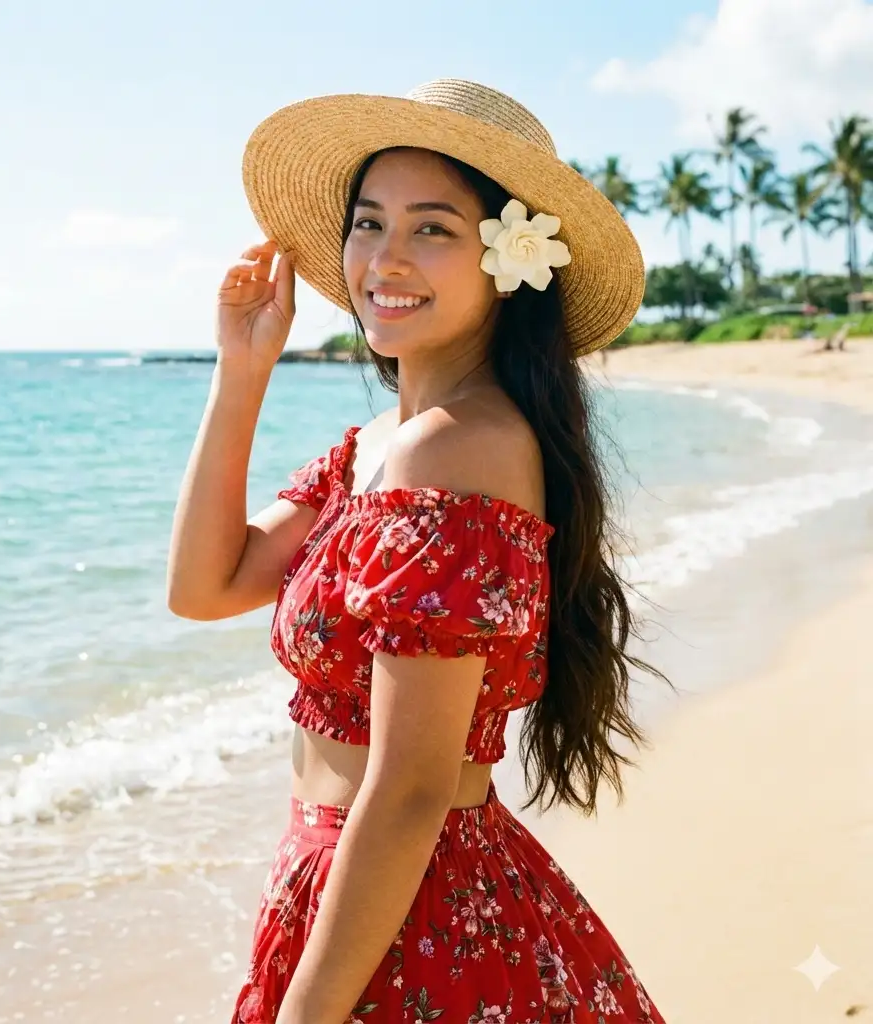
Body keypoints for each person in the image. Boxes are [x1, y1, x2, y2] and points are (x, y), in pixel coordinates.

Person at [168, 79, 669, 1024]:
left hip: (416, 918)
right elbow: (205, 585)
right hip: (356, 888)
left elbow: (408, 790)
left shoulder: (455, 448)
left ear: (508, 263)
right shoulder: (378, 449)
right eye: (367, 222)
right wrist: (242, 374)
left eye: (431, 228)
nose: (383, 258)